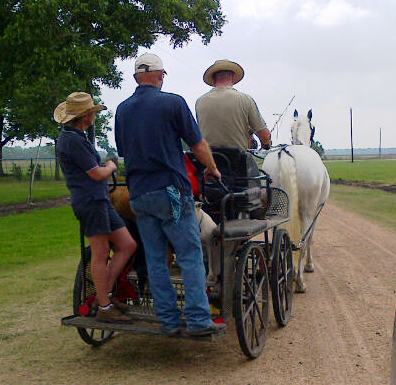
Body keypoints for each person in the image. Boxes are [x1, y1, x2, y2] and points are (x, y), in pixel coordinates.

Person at [115, 52, 225, 336]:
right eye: (163, 75)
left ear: (137, 77)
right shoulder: (173, 103)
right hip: (171, 192)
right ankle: (200, 320)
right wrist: (212, 168)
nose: (164, 79)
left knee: (154, 258)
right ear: (158, 75)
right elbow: (197, 144)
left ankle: (168, 320)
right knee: (189, 255)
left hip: (139, 194)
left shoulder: (122, 110)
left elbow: (124, 151)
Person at [54, 92, 137, 323]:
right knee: (100, 254)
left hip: (100, 200)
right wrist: (110, 166)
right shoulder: (72, 140)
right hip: (91, 202)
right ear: (86, 116)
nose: (93, 116)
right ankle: (104, 305)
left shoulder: (75, 137)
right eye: (91, 112)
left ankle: (105, 294)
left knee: (127, 244)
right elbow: (96, 173)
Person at [195, 59, 271, 150]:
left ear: (213, 79)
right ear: (233, 77)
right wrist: (266, 145)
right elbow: (264, 135)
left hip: (208, 160)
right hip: (237, 160)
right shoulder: (245, 99)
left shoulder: (200, 102)